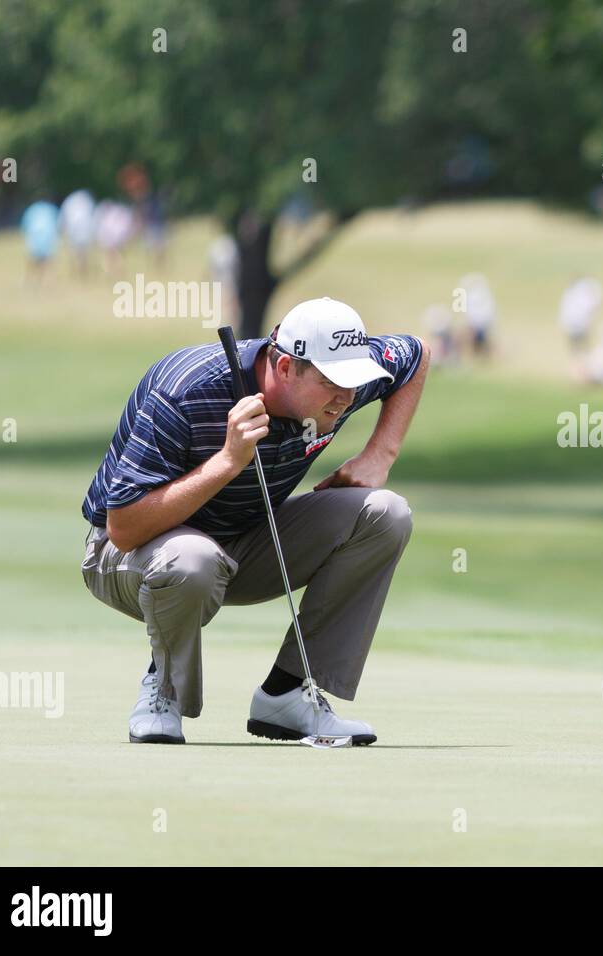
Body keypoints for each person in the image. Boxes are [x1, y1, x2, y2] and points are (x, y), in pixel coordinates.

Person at [79, 297, 428, 745]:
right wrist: (227, 461)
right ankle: (162, 691)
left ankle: (286, 696)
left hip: (246, 541)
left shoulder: (345, 382)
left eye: (354, 381)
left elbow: (417, 353)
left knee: (386, 513)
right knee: (192, 558)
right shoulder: (187, 391)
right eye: (331, 382)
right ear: (285, 368)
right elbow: (123, 527)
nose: (345, 397)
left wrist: (381, 452)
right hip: (129, 557)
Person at [558, 276, 603, 355]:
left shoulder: (569, 293)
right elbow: (589, 307)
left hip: (573, 324)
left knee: (577, 348)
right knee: (582, 347)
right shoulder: (579, 294)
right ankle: (582, 363)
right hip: (579, 324)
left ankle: (580, 363)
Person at [59, 190, 96, 276]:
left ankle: (77, 271)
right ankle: (81, 271)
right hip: (83, 229)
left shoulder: (70, 201)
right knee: (83, 253)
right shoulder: (86, 201)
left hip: (75, 230)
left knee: (75, 253)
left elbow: (64, 217)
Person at [20, 200, 59, 281]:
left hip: (36, 236)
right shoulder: (50, 208)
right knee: (46, 260)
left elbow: (25, 225)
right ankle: (47, 280)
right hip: (47, 236)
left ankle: (31, 279)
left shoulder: (32, 209)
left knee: (34, 260)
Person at [460, 273, 496, 358]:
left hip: (480, 325)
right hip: (477, 325)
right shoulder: (476, 296)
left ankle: (482, 355)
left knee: (480, 341)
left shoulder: (478, 297)